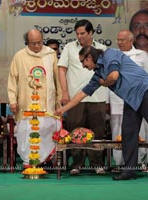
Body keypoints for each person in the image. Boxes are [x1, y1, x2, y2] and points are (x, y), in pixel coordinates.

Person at [56, 46, 148, 181]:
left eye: (83, 62)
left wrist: (104, 83)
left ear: (89, 57)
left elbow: (114, 76)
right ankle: (130, 171)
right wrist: (63, 109)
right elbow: (82, 94)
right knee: (128, 133)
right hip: (131, 99)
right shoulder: (98, 74)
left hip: (145, 91)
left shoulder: (110, 54)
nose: (83, 66)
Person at [58, 19, 108, 175]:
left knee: (98, 131)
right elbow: (61, 70)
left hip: (98, 96)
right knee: (75, 131)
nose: (79, 37)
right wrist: (65, 92)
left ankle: (97, 163)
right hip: (75, 98)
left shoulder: (102, 49)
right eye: (77, 34)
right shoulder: (69, 48)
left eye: (83, 33)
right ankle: (76, 164)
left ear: (91, 33)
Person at [7, 29, 62, 169]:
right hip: (27, 103)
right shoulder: (19, 56)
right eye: (33, 44)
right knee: (26, 133)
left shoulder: (50, 54)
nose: (37, 46)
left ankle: (45, 162)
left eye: (39, 42)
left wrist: (59, 100)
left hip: (47, 103)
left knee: (46, 131)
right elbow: (12, 79)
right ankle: (28, 162)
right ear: (27, 42)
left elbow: (57, 79)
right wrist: (12, 100)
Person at [111, 30, 148, 172]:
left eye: (122, 40)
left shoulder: (141, 55)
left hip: (137, 99)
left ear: (131, 41)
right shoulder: (112, 55)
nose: (119, 42)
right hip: (117, 99)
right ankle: (120, 163)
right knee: (117, 129)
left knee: (139, 129)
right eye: (118, 39)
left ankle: (141, 162)